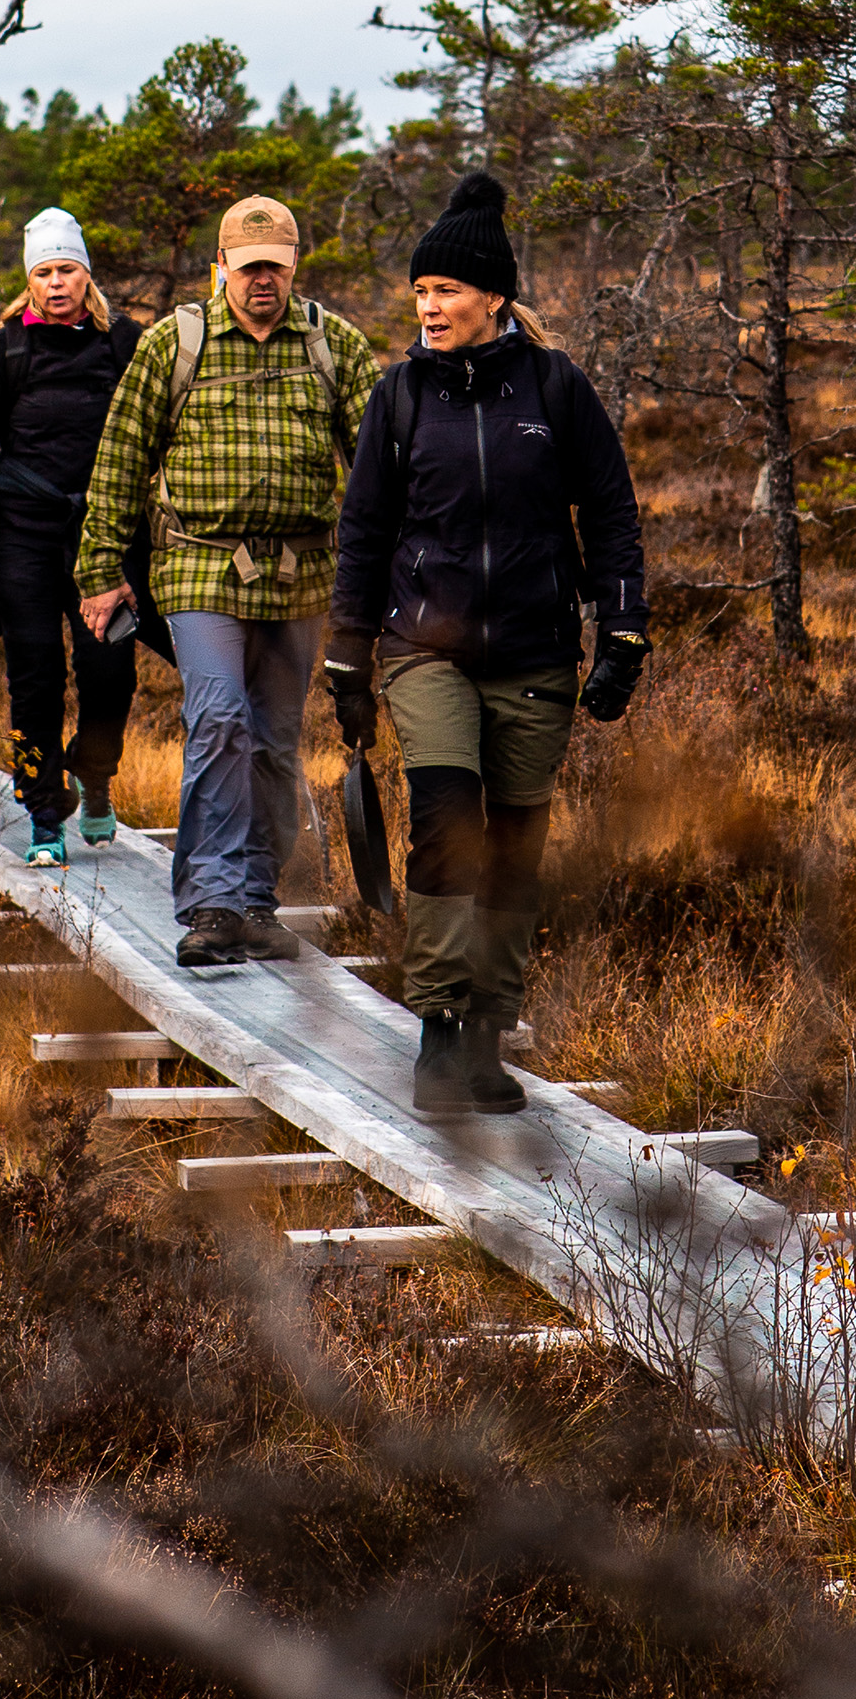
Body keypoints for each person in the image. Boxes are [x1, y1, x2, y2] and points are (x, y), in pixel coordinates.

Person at [325, 173, 650, 1115]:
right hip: (425, 646)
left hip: (536, 653)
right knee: (446, 820)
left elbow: (614, 512)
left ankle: (484, 1036)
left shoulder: (556, 388)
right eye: (421, 292)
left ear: (494, 297)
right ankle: (433, 1025)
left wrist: (623, 629)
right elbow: (365, 531)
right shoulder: (397, 398)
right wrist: (349, 658)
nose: (429, 307)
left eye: (448, 291)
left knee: (515, 846)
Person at [77, 196, 376, 966]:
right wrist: (102, 572)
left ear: (294, 264)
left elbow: (380, 472)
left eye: (274, 265)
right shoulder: (174, 343)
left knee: (277, 742)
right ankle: (210, 903)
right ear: (222, 268)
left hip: (301, 572)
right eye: (246, 269)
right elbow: (117, 460)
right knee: (219, 720)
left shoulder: (333, 345)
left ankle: (255, 900)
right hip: (200, 566)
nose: (260, 282)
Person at [0, 207, 152, 867]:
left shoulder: (125, 344)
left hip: (105, 535)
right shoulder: (7, 348)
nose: (57, 283)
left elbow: (160, 436)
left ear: (87, 276)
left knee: (110, 671)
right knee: (34, 675)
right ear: (30, 282)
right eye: (45, 272)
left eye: (68, 269)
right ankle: (43, 813)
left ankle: (96, 772)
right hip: (20, 532)